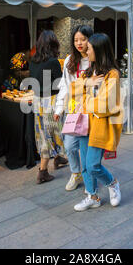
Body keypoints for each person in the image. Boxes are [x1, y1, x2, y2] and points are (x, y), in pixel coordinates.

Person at [69, 33, 123, 211]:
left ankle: (112, 183)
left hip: (100, 125)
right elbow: (73, 90)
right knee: (85, 165)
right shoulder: (88, 72)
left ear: (98, 50)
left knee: (93, 165)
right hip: (85, 124)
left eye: (89, 48)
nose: (85, 49)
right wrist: (86, 84)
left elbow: (105, 105)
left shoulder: (112, 75)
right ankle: (92, 196)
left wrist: (84, 97)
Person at [54, 25, 93, 191]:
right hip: (73, 110)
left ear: (90, 40)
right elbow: (64, 85)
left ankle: (88, 178)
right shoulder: (70, 60)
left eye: (83, 39)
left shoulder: (94, 59)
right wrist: (58, 108)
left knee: (87, 148)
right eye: (76, 40)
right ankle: (75, 173)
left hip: (90, 110)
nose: (79, 43)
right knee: (69, 146)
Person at [29, 30, 68, 184]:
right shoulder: (53, 62)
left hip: (38, 101)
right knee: (52, 132)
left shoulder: (33, 61)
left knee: (45, 133)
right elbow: (59, 84)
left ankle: (58, 158)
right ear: (53, 44)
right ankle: (43, 171)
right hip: (50, 101)